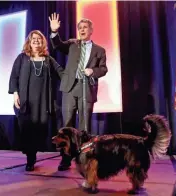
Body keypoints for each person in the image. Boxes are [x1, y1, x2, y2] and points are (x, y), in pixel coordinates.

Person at [49, 13, 108, 171]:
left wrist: (92, 71)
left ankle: (85, 159)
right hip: (69, 89)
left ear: (91, 30)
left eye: (85, 28)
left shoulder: (99, 50)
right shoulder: (72, 44)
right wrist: (54, 32)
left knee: (84, 128)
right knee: (66, 126)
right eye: (80, 28)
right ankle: (65, 160)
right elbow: (58, 45)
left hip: (86, 90)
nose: (82, 30)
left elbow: (103, 69)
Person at [8, 30, 64, 171]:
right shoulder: (21, 58)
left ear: (43, 42)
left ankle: (34, 155)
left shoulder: (48, 59)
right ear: (29, 41)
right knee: (27, 130)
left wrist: (77, 75)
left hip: (43, 102)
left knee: (40, 130)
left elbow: (61, 72)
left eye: (39, 39)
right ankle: (30, 159)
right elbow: (14, 76)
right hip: (26, 101)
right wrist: (15, 93)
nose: (36, 41)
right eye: (33, 39)